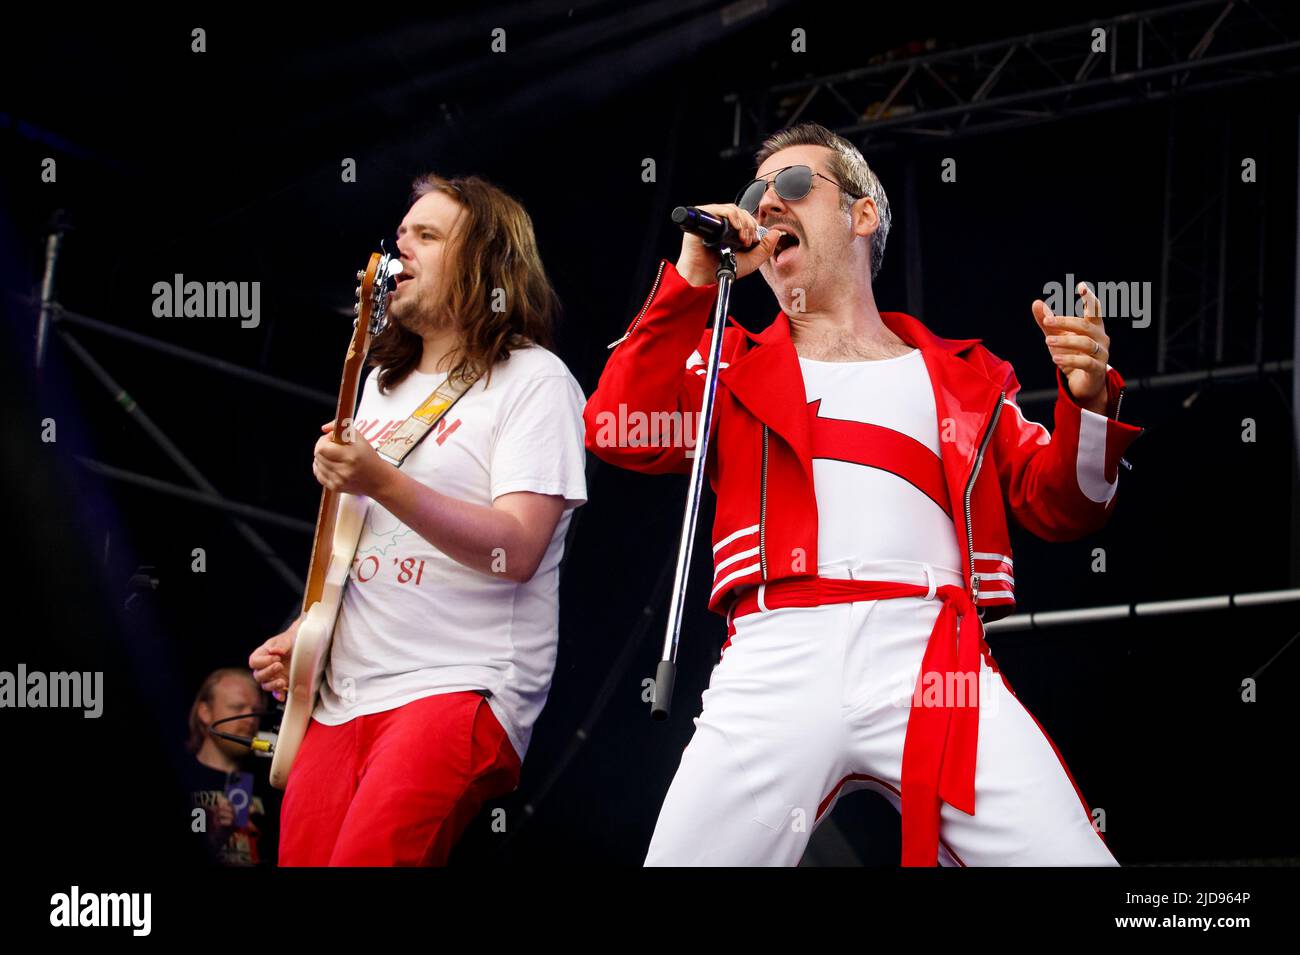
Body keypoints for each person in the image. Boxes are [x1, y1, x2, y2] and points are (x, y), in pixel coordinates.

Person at [584, 122, 1143, 866]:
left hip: (933, 656)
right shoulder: (727, 369)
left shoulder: (967, 378)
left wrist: (1091, 403)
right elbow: (617, 429)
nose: (768, 206)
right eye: (758, 195)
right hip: (777, 648)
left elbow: (1065, 505)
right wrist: (691, 277)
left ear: (862, 213)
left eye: (792, 187)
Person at [250, 173, 587, 866]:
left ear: (485, 263)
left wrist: (382, 479)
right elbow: (361, 543)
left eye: (427, 237)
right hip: (340, 695)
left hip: (456, 683)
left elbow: (517, 550)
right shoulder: (378, 384)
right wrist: (304, 631)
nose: (401, 249)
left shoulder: (535, 380)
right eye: (401, 235)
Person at [184, 668, 281, 866]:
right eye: (237, 708)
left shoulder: (271, 781)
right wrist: (214, 832)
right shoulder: (183, 777)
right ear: (205, 712)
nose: (250, 719)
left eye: (255, 711)